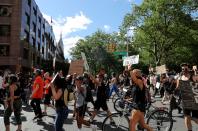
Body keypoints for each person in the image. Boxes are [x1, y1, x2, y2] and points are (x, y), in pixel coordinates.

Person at [176, 63, 198, 131]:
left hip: (193, 100)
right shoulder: (179, 78)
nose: (184, 70)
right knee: (186, 117)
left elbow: (196, 83)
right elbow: (177, 88)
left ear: (188, 69)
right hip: (185, 100)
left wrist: (195, 73)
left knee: (195, 118)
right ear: (181, 70)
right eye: (183, 69)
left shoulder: (192, 76)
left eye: (186, 68)